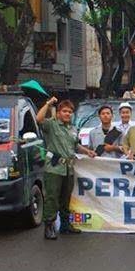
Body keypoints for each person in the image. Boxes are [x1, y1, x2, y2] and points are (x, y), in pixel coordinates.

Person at [36, 97, 96, 240]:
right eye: (64, 111)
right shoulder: (52, 125)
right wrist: (48, 104)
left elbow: (75, 146)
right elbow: (39, 119)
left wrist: (87, 151)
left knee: (66, 198)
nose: (67, 114)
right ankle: (49, 226)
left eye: (70, 112)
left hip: (68, 169)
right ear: (58, 113)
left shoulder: (73, 129)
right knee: (52, 198)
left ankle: (65, 225)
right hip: (54, 169)